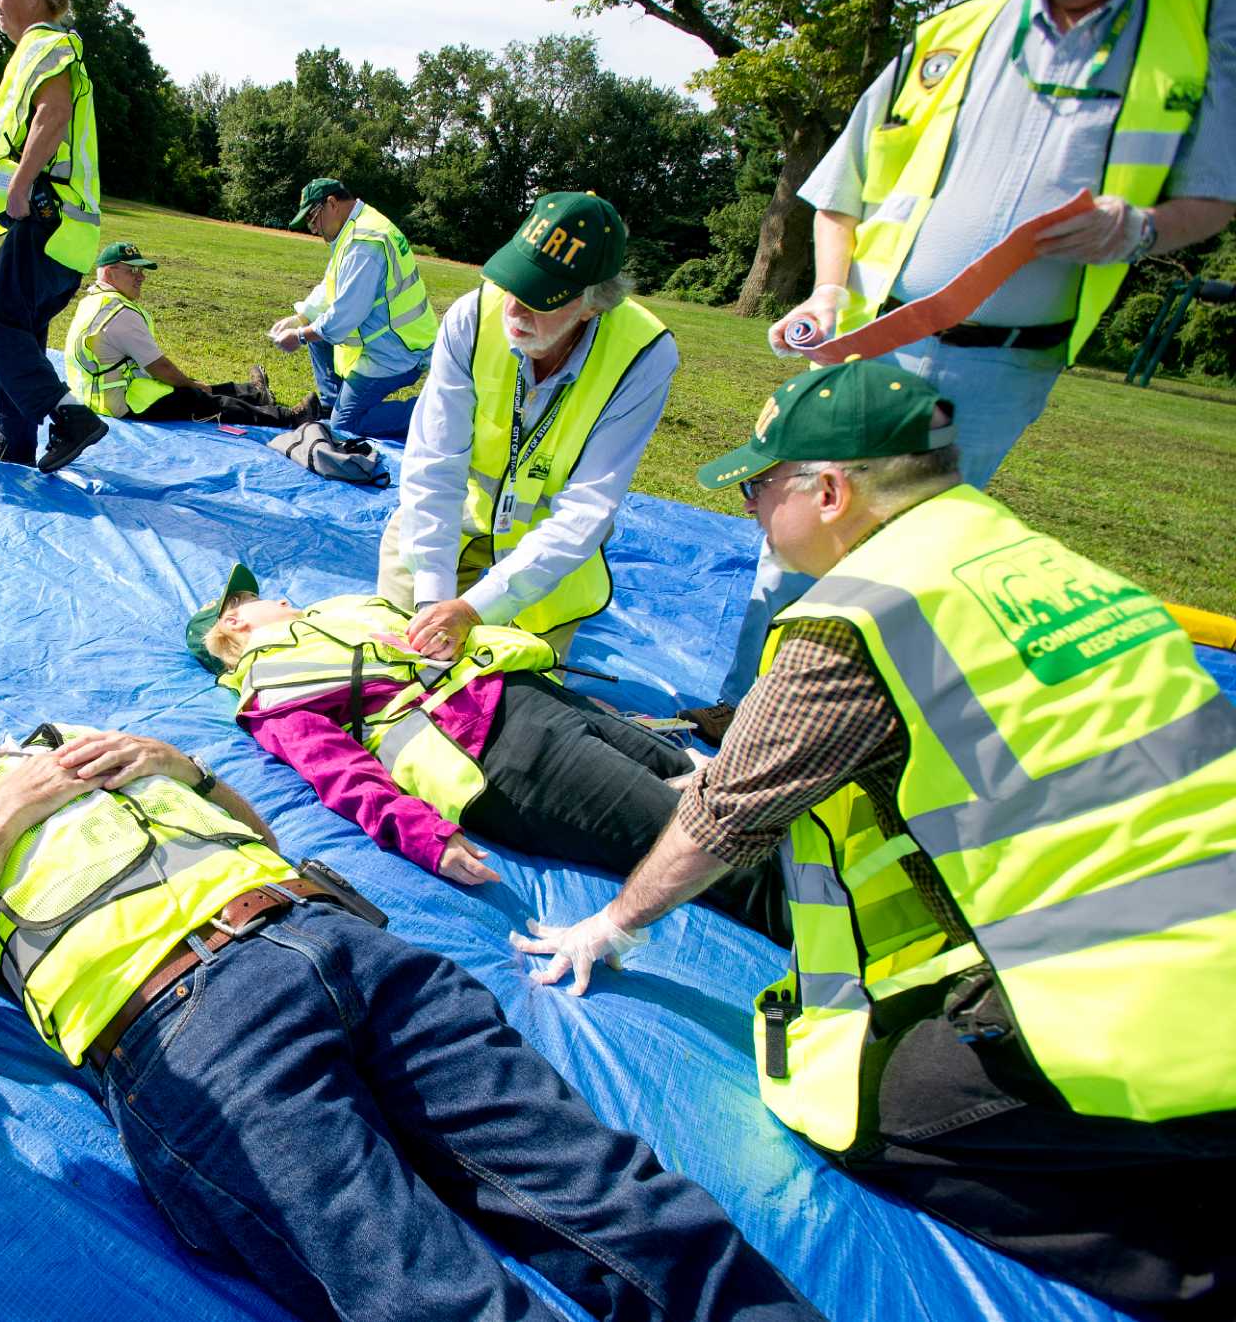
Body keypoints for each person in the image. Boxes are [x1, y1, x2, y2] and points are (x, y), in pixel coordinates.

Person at [0, 638, 822, 1322]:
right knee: (417, 1285)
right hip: (185, 1025)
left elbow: (250, 840)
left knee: (614, 1193)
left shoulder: (79, 745)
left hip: (341, 946)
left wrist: (187, 771)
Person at [517, 360, 1236, 1320]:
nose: (750, 509)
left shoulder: (858, 618)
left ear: (831, 490)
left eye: (759, 487)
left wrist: (609, 923)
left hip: (1147, 1005)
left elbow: (723, 820)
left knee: (870, 1112)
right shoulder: (1032, 559)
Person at [694, 0, 1235, 734]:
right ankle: (742, 716)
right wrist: (828, 293)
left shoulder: (1209, 21)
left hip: (1006, 364)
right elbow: (840, 193)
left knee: (906, 558)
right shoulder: (953, 29)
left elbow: (1214, 194)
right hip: (876, 343)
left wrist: (1143, 228)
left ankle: (819, 737)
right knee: (796, 535)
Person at [181, 565, 788, 941]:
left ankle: (843, 883)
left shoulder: (340, 610)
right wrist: (423, 835)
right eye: (254, 598)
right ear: (234, 624)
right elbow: (338, 772)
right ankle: (852, 958)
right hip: (501, 757)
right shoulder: (271, 689)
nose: (277, 594)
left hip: (530, 695)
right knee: (713, 851)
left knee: (718, 785)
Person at [383, 192, 677, 666]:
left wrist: (476, 608)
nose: (515, 310)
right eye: (513, 284)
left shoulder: (644, 356)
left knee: (516, 696)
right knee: (396, 670)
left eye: (541, 299)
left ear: (592, 304)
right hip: (445, 530)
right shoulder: (471, 318)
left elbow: (587, 507)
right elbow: (434, 466)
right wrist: (432, 603)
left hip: (546, 561)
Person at [0, 0, 106, 474]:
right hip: (64, 227)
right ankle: (14, 439)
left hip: (47, 216)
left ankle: (70, 418)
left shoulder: (46, 46)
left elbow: (53, 113)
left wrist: (19, 186)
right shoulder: (38, 50)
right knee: (19, 329)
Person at [64, 242, 310, 427]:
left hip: (99, 398)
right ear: (109, 273)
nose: (142, 277)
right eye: (133, 271)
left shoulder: (94, 300)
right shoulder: (120, 312)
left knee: (188, 384)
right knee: (195, 397)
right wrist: (191, 386)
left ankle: (254, 393)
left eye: (142, 271)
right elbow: (161, 368)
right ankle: (288, 417)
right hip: (123, 403)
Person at [270, 178, 436, 442]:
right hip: (387, 341)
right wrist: (300, 317)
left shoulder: (364, 243)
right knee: (315, 327)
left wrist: (300, 336)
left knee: (346, 426)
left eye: (313, 218)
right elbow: (332, 286)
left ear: (332, 204)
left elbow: (346, 314)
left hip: (398, 350)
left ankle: (432, 411)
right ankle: (333, 402)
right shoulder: (356, 227)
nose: (313, 229)